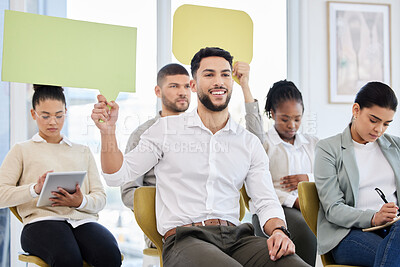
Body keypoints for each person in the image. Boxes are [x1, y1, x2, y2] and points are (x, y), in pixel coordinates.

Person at [92, 47, 309, 267]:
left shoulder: (248, 142)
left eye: (225, 74)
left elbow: (265, 200)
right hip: (185, 239)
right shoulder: (166, 130)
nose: (219, 81)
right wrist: (108, 132)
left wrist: (279, 231)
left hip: (237, 238)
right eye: (209, 74)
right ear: (194, 85)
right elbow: (116, 176)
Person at [0, 85, 121, 267]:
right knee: (67, 259)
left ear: (66, 112)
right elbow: (2, 195)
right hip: (41, 223)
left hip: (81, 221)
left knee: (110, 256)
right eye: (45, 116)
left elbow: (100, 198)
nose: (53, 122)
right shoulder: (21, 150)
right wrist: (35, 189)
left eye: (58, 115)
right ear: (33, 114)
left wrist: (80, 202)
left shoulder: (82, 151)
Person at [236, 63, 317, 266]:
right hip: (274, 210)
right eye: (285, 119)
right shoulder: (264, 144)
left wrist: (308, 179)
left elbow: (331, 176)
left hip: (310, 207)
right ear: (272, 114)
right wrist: (294, 201)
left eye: (297, 119)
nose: (292, 125)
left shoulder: (313, 144)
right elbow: (263, 189)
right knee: (305, 230)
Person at [314, 81, 400, 267]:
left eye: (386, 124)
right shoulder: (328, 149)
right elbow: (333, 208)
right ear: (356, 110)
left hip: (394, 229)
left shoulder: (396, 146)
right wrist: (373, 217)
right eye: (373, 120)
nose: (379, 130)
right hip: (349, 234)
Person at [120, 63, 191, 247]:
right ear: (158, 91)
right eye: (174, 86)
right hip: (163, 227)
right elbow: (129, 192)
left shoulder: (201, 132)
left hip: (203, 220)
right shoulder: (143, 135)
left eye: (186, 86)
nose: (182, 92)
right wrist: (165, 208)